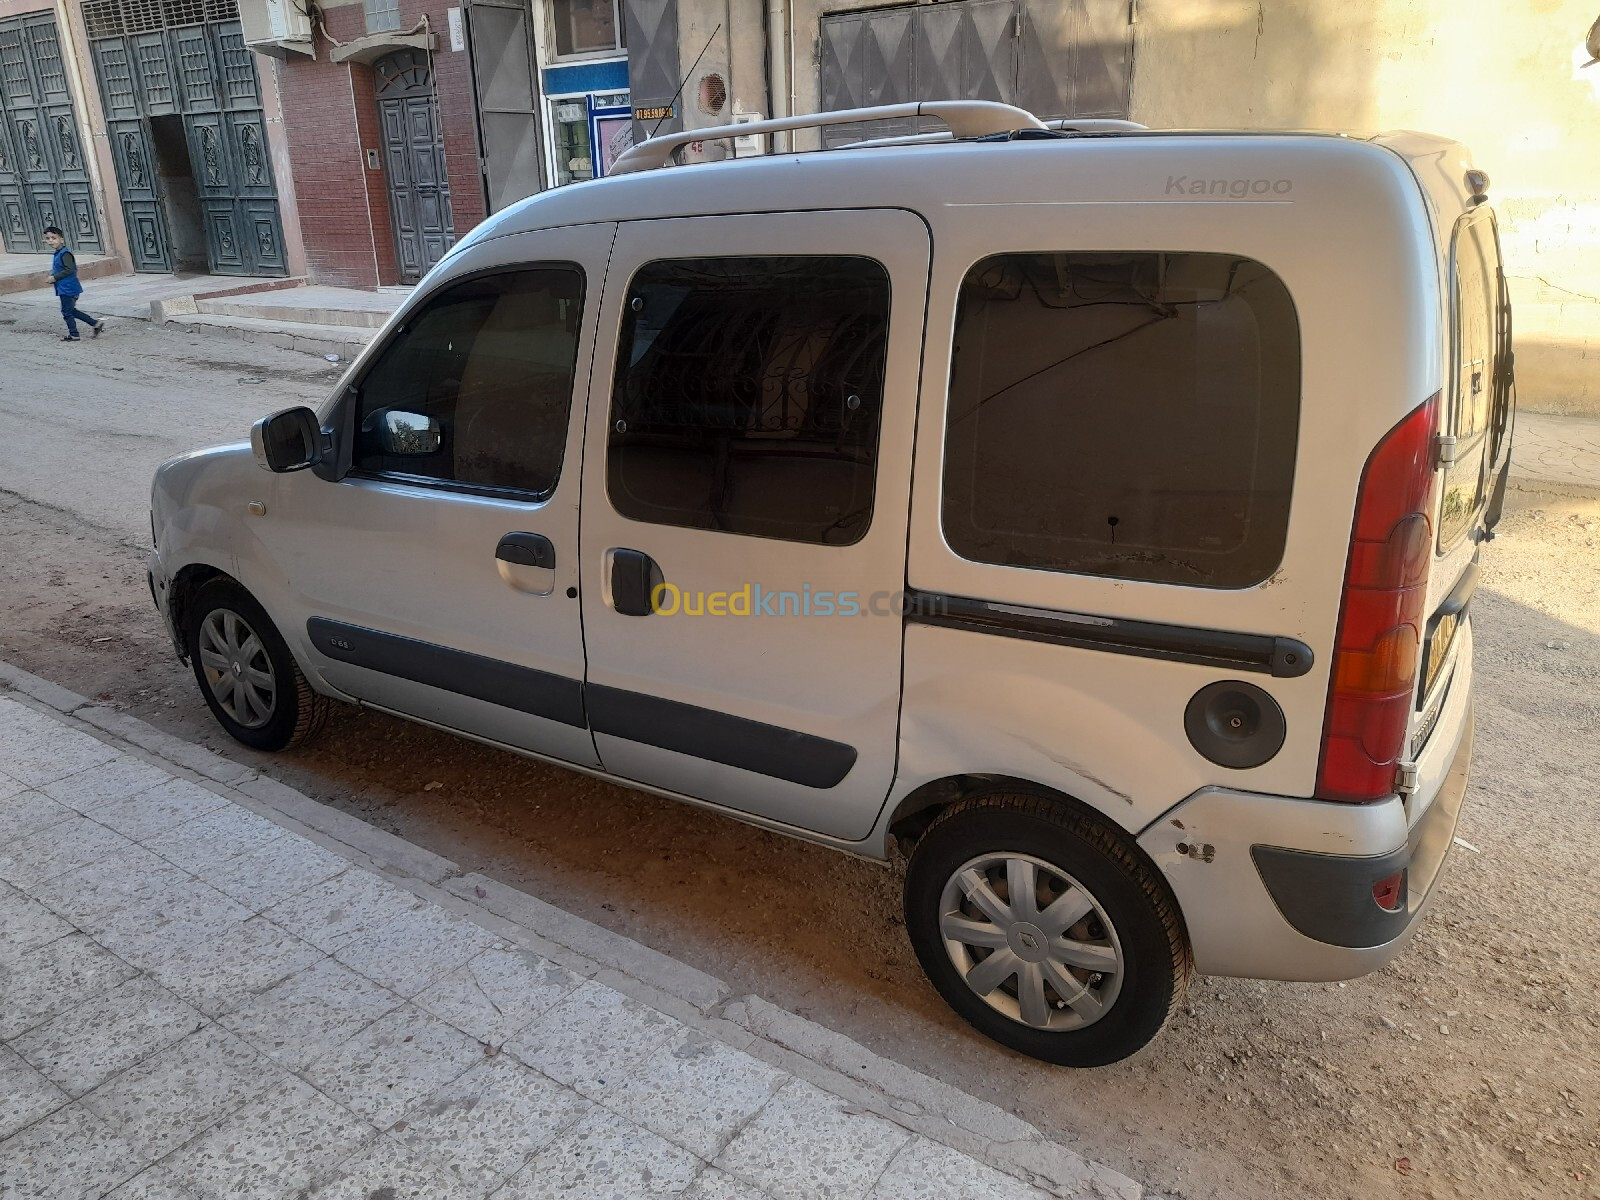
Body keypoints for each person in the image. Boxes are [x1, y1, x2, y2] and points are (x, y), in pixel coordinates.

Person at [43, 227, 105, 342]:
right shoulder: (59, 253)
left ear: (61, 239)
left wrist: (54, 277)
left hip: (68, 288)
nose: (51, 241)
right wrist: (52, 273)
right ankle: (95, 324)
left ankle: (74, 334)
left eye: (54, 238)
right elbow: (62, 268)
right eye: (48, 238)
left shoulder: (65, 254)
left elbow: (69, 270)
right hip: (67, 287)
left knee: (67, 312)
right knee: (70, 310)